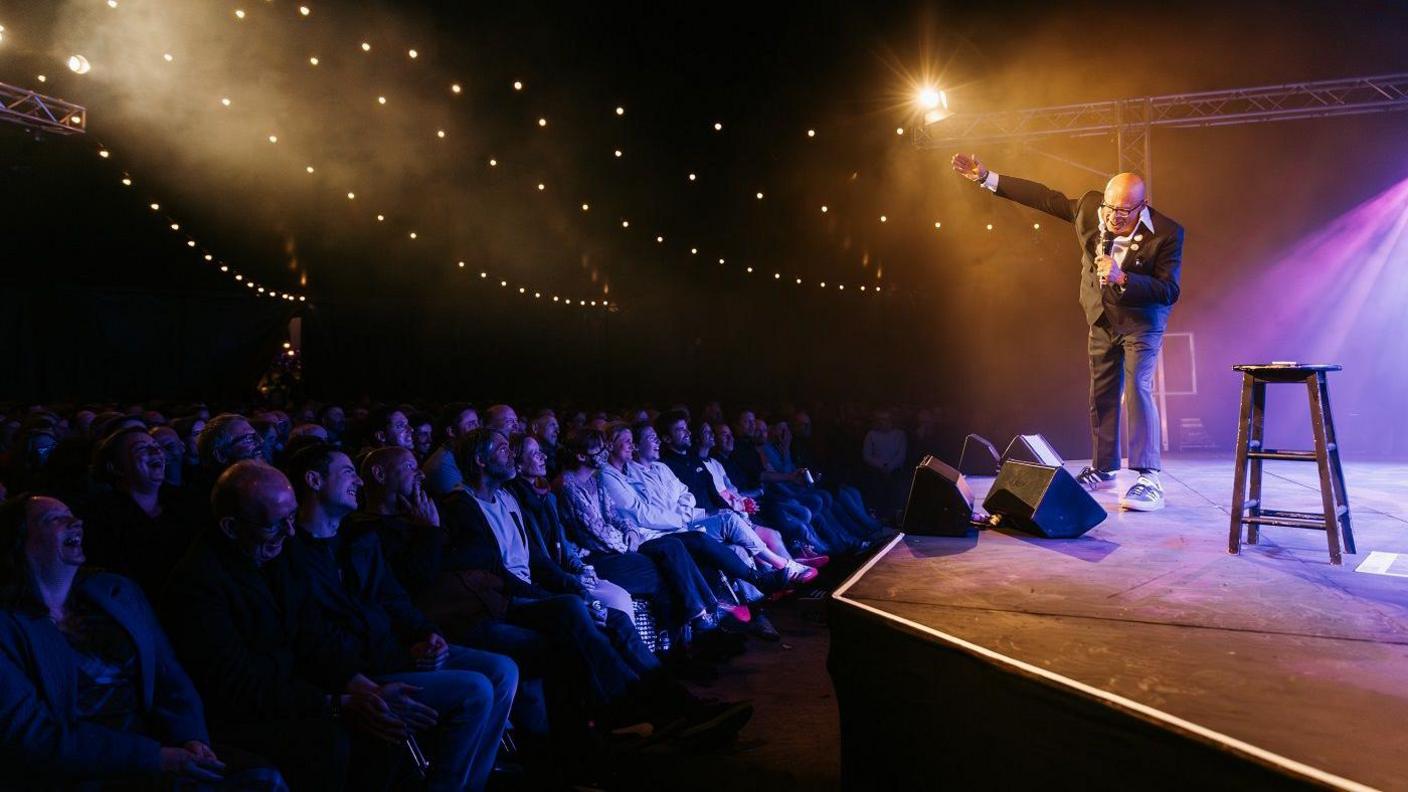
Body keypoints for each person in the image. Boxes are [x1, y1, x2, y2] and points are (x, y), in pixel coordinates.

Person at [163, 460, 428, 790]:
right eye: (276, 524)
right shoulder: (199, 584)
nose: (290, 533)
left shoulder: (278, 556)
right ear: (231, 527)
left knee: (385, 724)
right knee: (334, 742)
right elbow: (238, 682)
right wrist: (334, 704)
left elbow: (312, 636)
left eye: (292, 518)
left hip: (294, 691)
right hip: (242, 713)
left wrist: (365, 689)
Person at [0, 493, 283, 789]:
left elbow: (169, 676)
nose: (76, 522)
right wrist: (155, 758)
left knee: (263, 778)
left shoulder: (115, 593)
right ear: (20, 541)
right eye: (54, 519)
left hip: (161, 745)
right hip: (88, 767)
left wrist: (191, 738)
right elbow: (33, 735)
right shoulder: (9, 627)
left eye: (71, 513)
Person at [951, 154, 1183, 511]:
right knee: (1102, 393)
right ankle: (1104, 467)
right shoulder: (1091, 209)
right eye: (1110, 208)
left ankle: (1147, 476)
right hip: (1101, 318)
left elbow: (1169, 290)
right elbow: (1045, 198)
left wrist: (1124, 278)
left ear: (1142, 206)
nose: (1114, 217)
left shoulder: (1167, 233)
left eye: (1124, 211)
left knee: (1137, 387)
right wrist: (987, 178)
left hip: (1142, 321)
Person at [281, 443, 515, 792]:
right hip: (364, 667)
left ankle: (471, 782)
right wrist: (394, 660)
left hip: (394, 649)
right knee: (475, 689)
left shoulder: (357, 537)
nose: (357, 482)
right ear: (314, 480)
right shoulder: (291, 555)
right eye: (347, 472)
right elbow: (314, 637)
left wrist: (426, 634)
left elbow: (394, 597)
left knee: (503, 670)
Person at [81, 427, 193, 599]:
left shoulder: (186, 502)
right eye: (141, 448)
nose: (156, 450)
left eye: (156, 446)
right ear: (115, 467)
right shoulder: (99, 518)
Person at [422, 403, 480, 497]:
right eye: (471, 424)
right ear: (452, 431)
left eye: (477, 423)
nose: (479, 429)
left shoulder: (465, 455)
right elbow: (464, 505)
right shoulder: (443, 467)